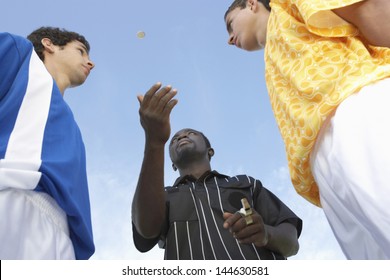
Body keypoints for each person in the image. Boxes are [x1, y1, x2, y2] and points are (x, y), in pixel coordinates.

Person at [224, 0, 390, 259]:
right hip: (323, 167)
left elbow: (369, 11)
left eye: (230, 25)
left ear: (252, 4)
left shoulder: (286, 3)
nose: (229, 39)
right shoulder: (273, 55)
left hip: (357, 110)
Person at [131, 82, 302, 260]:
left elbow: (291, 242)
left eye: (191, 133)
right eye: (174, 139)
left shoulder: (245, 183)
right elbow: (146, 231)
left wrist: (266, 233)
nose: (181, 136)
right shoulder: (162, 196)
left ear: (210, 151)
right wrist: (154, 140)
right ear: (172, 163)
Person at [0, 27, 95, 259]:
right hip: (11, 198)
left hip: (63, 240)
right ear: (49, 44)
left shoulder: (73, 128)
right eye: (81, 51)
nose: (90, 63)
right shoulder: (19, 54)